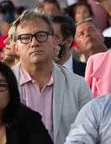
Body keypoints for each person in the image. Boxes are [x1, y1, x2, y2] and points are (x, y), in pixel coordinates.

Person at [10, 10, 91, 143]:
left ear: (54, 41)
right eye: (25, 38)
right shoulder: (4, 84)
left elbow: (89, 132)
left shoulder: (78, 85)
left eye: (41, 35)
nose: (34, 43)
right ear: (16, 48)